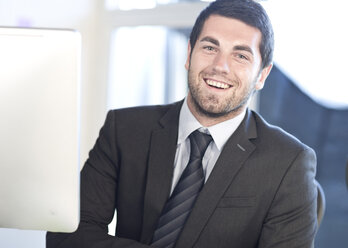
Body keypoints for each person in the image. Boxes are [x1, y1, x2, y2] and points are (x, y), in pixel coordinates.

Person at [47, 0, 317, 247]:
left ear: (262, 75)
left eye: (241, 56)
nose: (220, 66)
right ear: (189, 54)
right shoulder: (125, 130)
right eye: (210, 47)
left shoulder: (288, 163)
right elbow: (66, 235)